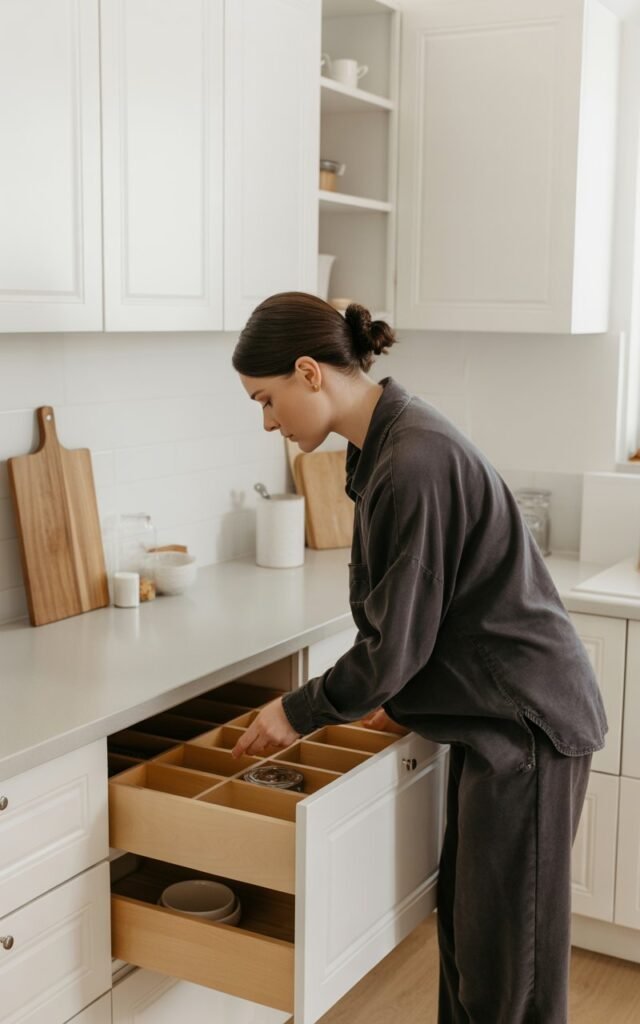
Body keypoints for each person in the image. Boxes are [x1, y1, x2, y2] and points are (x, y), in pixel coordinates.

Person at [229, 290, 607, 1024]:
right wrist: (385, 694)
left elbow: (394, 646)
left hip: (526, 728)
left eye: (266, 400)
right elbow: (416, 622)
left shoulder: (411, 460)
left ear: (310, 372)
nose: (269, 423)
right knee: (472, 943)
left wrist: (296, 711)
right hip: (494, 721)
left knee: (509, 980)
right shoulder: (389, 442)